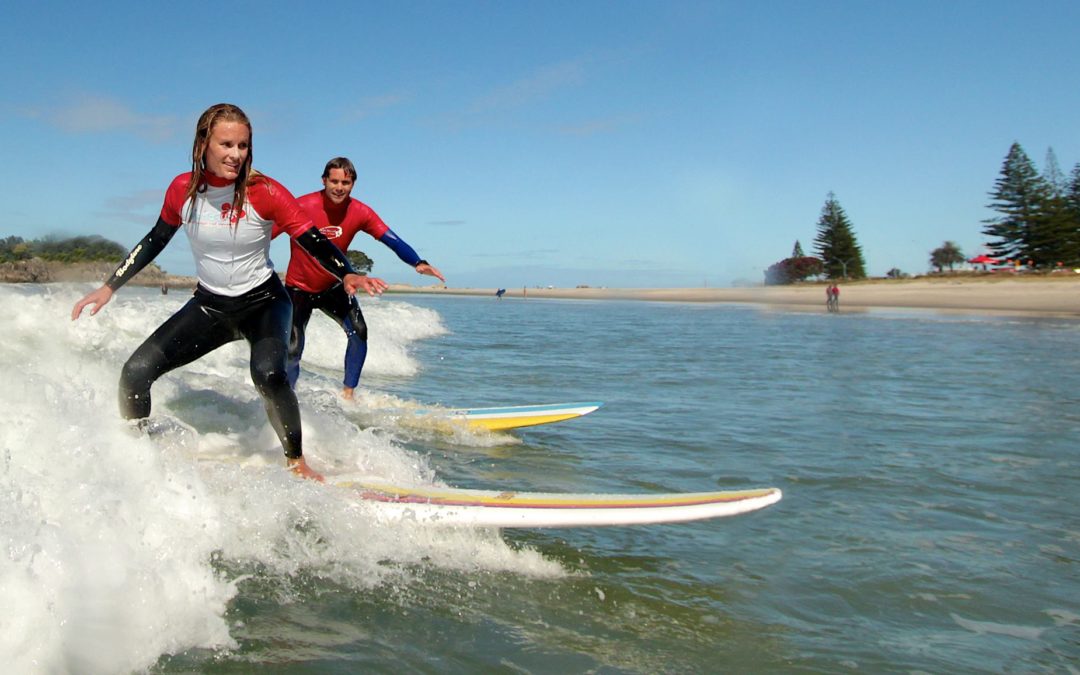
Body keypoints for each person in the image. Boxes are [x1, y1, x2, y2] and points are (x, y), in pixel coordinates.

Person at [71, 104, 375, 482]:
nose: (236, 154)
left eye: (243, 145)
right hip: (211, 306)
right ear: (203, 144)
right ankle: (137, 453)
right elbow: (155, 239)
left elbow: (311, 239)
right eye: (227, 144)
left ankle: (296, 462)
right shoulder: (182, 190)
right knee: (135, 373)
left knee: (268, 375)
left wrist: (347, 272)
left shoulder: (265, 192)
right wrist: (109, 286)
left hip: (264, 303)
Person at [272, 157, 444, 400]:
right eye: (334, 181)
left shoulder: (360, 211)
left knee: (359, 332)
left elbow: (391, 239)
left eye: (346, 182)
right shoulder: (301, 205)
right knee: (292, 348)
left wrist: (417, 262)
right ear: (324, 181)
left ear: (353, 184)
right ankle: (287, 398)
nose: (339, 187)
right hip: (299, 288)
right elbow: (268, 232)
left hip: (337, 285)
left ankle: (348, 395)